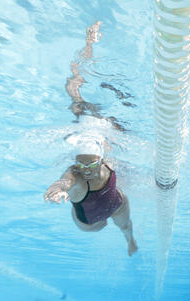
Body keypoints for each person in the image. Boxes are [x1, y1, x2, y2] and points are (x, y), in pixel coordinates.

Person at [44, 22, 138, 256]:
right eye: (81, 164)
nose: (85, 169)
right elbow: (64, 181)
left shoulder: (105, 147)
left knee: (125, 225)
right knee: (96, 227)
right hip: (89, 220)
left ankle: (130, 241)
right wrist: (57, 190)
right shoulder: (75, 174)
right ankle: (88, 45)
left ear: (101, 158)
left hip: (116, 204)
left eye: (91, 163)